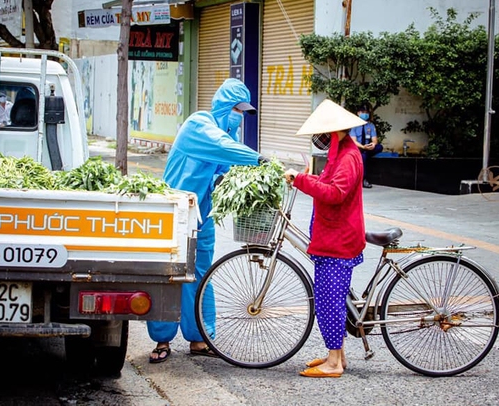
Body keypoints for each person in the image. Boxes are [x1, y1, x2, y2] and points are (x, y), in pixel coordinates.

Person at [147, 78, 267, 363]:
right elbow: (224, 148)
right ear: (224, 107)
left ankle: (200, 337)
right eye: (237, 111)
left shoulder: (227, 136)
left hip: (202, 213)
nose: (239, 118)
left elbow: (227, 167)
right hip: (174, 211)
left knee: (201, 274)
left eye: (243, 113)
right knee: (170, 273)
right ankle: (162, 339)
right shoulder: (200, 125)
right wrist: (262, 160)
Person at [284, 99, 367, 378]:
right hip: (332, 236)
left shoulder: (348, 157)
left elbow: (335, 193)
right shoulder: (339, 152)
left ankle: (333, 364)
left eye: (320, 133)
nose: (317, 139)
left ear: (332, 132)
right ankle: (338, 355)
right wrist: (309, 178)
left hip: (338, 240)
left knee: (329, 301)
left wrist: (301, 180)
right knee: (330, 299)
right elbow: (329, 184)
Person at [349, 104, 383, 188]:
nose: (365, 114)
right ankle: (363, 179)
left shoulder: (370, 126)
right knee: (363, 156)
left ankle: (365, 152)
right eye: (363, 112)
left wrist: (372, 144)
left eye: (366, 112)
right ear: (358, 113)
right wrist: (362, 147)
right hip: (357, 148)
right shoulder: (354, 126)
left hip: (367, 148)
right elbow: (353, 141)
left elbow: (374, 140)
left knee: (379, 147)